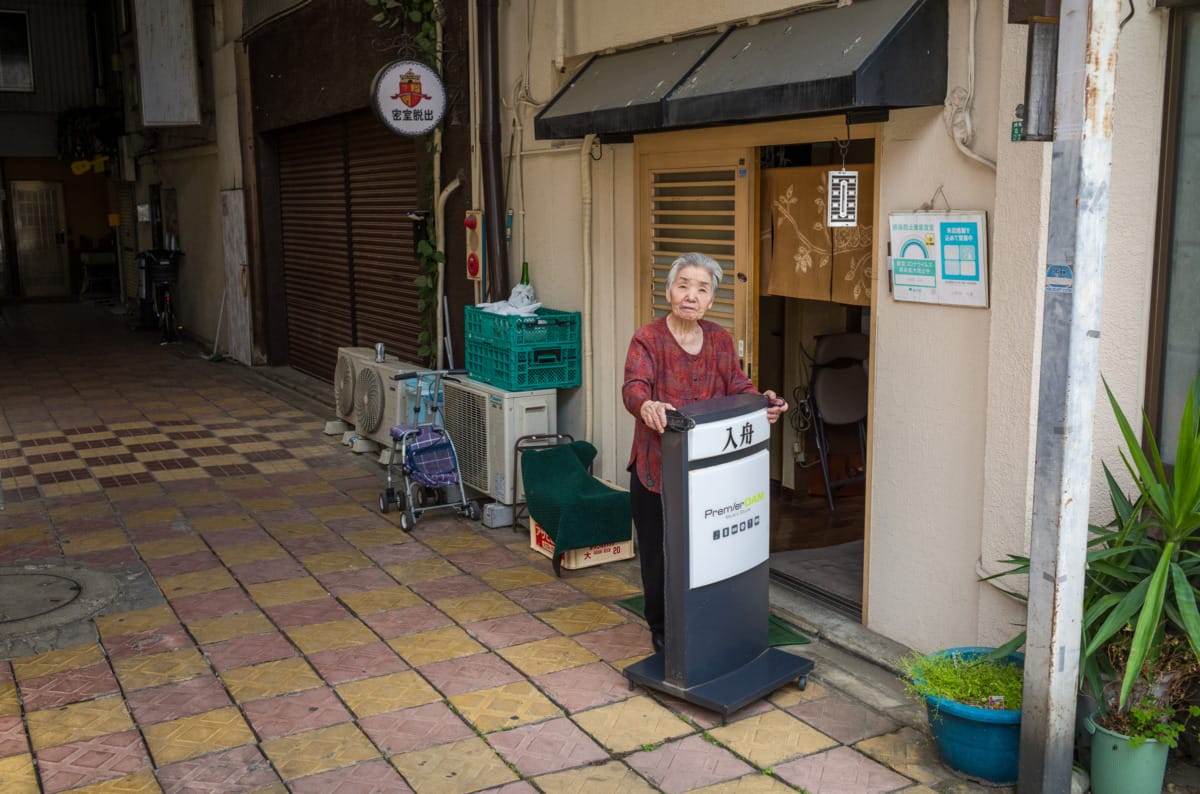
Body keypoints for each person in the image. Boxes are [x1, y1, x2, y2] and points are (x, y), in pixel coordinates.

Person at [622, 252, 788, 653]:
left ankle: (708, 623)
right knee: (659, 556)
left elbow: (739, 386)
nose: (691, 295)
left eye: (702, 288)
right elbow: (634, 386)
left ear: (711, 300)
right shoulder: (648, 338)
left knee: (707, 550)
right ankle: (662, 629)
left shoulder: (720, 339)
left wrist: (763, 401)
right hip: (657, 470)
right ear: (668, 292)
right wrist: (646, 405)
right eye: (683, 285)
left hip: (707, 474)